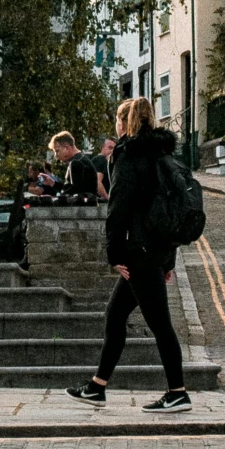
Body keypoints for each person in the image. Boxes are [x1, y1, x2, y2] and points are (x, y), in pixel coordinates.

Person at [66, 95, 190, 413]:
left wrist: (113, 253)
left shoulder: (128, 155)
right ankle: (97, 387)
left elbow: (119, 206)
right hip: (155, 250)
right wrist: (168, 259)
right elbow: (170, 209)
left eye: (117, 122)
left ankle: (177, 392)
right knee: (116, 314)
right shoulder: (160, 154)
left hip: (139, 252)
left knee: (160, 324)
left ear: (123, 123)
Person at [48, 130, 102, 204]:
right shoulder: (81, 159)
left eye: (57, 151)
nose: (56, 155)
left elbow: (75, 190)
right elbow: (74, 187)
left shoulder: (76, 162)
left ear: (66, 147)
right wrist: (52, 183)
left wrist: (57, 198)